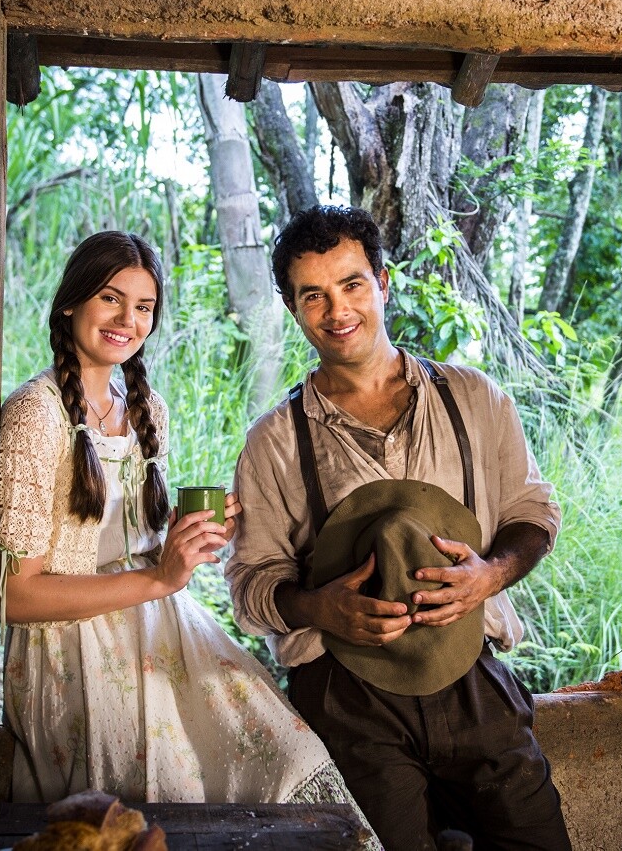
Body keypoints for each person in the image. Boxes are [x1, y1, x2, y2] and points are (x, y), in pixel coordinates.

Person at [0, 230, 380, 847]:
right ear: (70, 303)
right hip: (70, 648)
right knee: (162, 797)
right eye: (110, 299)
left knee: (280, 751)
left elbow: (131, 543)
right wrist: (156, 578)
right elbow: (16, 596)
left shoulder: (145, 405)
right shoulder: (33, 415)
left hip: (158, 616)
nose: (127, 320)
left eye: (143, 307)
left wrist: (187, 539)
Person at [226, 206, 573, 851]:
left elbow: (534, 514)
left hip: (471, 670)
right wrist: (316, 606)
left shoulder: (474, 399)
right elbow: (251, 583)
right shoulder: (273, 442)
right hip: (344, 692)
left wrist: (489, 576)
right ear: (293, 307)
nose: (337, 310)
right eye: (313, 296)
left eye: (352, 284)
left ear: (383, 283)